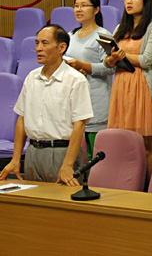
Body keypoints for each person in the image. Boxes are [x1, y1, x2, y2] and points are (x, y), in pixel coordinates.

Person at [0, 25, 93, 185]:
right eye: (37, 43)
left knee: (61, 200)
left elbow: (79, 125)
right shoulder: (31, 77)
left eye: (45, 43)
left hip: (61, 153)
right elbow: (22, 119)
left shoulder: (76, 80)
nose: (38, 48)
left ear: (61, 47)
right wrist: (15, 159)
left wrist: (68, 165)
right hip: (33, 152)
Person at [105, 0, 152, 181]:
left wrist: (122, 55)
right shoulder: (120, 27)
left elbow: (146, 60)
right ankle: (129, 183)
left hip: (144, 86)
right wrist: (112, 59)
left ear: (146, 1)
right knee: (126, 144)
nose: (129, 1)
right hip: (122, 86)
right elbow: (107, 62)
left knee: (147, 144)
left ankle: (148, 186)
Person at [66, 0, 114, 159]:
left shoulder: (104, 35)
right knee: (78, 155)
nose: (79, 9)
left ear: (96, 10)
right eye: (76, 6)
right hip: (74, 97)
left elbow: (111, 68)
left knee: (95, 154)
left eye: (84, 6)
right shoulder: (71, 35)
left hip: (96, 97)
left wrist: (83, 65)